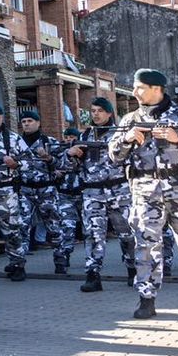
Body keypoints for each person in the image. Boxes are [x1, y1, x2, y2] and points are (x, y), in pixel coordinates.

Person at [108, 68, 178, 319]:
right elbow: (113, 156)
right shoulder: (130, 119)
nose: (135, 92)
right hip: (145, 190)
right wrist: (126, 140)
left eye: (139, 87)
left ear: (156, 89)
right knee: (146, 245)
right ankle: (146, 298)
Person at [66, 98, 135, 291]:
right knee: (93, 235)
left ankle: (133, 268)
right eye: (93, 110)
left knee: (127, 234)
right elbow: (71, 167)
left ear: (109, 113)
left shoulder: (121, 134)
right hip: (93, 192)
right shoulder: (86, 135)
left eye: (100, 111)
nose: (96, 114)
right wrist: (72, 155)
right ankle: (93, 274)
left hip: (119, 192)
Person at [7, 110, 62, 279]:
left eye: (30, 121)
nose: (26, 124)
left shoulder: (49, 142)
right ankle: (18, 265)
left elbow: (62, 164)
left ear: (38, 123)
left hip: (46, 190)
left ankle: (60, 259)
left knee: (54, 226)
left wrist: (49, 159)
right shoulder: (16, 143)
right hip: (25, 190)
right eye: (24, 121)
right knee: (20, 227)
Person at [0, 103, 27, 266]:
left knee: (11, 231)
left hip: (5, 190)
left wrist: (16, 164)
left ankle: (17, 264)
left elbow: (30, 162)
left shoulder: (13, 138)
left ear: (1, 117)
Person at [50, 128, 85, 274]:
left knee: (89, 229)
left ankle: (93, 259)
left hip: (84, 194)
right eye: (67, 136)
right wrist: (55, 172)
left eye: (72, 136)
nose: (69, 139)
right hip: (65, 194)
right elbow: (50, 165)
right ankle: (64, 256)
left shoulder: (85, 150)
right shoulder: (59, 151)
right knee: (67, 227)